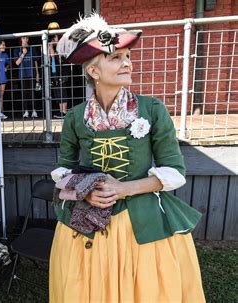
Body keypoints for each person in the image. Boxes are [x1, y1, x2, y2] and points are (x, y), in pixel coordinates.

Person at [49, 14, 205, 302]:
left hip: (142, 221)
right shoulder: (74, 117)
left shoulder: (152, 109)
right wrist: (84, 194)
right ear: (94, 71)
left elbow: (174, 171)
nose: (127, 63)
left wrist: (122, 189)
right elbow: (63, 171)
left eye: (128, 56)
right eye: (116, 57)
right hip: (90, 222)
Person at [14, 36, 40, 118]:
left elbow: (35, 61)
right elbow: (17, 63)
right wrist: (23, 54)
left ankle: (34, 111)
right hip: (22, 74)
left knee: (32, 93)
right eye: (23, 38)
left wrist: (37, 73)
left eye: (27, 38)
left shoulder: (32, 49)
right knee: (24, 93)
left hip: (31, 74)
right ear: (20, 39)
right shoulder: (16, 50)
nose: (25, 40)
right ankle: (26, 111)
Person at [49, 35, 69, 118]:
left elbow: (60, 60)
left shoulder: (60, 48)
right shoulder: (51, 48)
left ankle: (65, 111)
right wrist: (49, 46)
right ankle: (61, 111)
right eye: (53, 39)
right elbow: (49, 58)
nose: (54, 40)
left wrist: (53, 48)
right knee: (57, 92)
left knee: (62, 91)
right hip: (54, 72)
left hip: (61, 72)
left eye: (55, 38)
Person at [0, 40, 10, 120]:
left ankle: (1, 112)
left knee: (1, 96)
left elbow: (8, 64)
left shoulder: (5, 55)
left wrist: (6, 68)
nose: (4, 46)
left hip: (3, 77)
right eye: (3, 45)